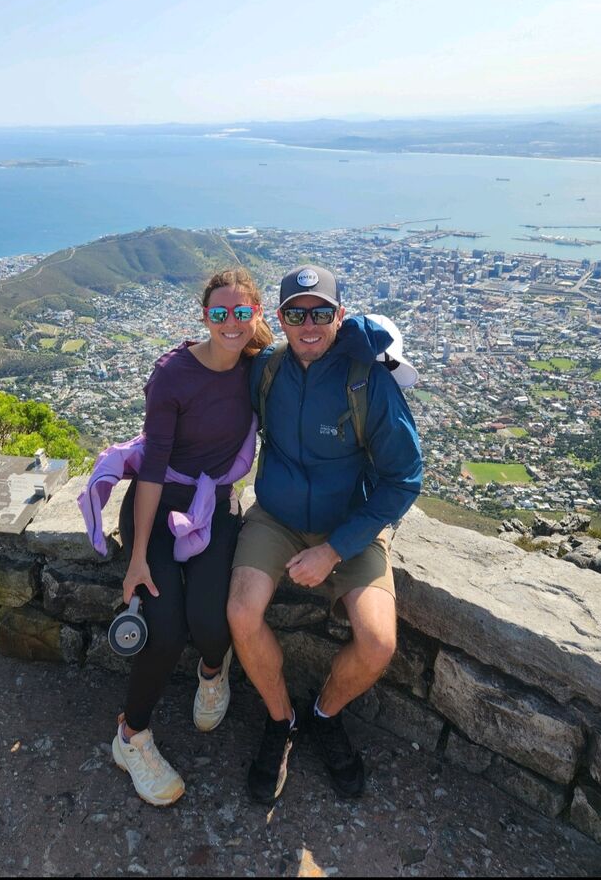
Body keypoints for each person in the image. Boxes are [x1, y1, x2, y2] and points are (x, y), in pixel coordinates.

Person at [227, 264, 423, 804]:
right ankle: (281, 719)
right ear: (281, 319)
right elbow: (213, 382)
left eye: (319, 312)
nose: (307, 325)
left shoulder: (367, 382)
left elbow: (405, 476)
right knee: (242, 613)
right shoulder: (266, 370)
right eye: (295, 313)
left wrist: (335, 548)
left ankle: (324, 714)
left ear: (340, 315)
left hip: (350, 525)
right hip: (277, 517)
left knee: (378, 641)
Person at [111, 267, 272, 806]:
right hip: (156, 511)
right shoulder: (173, 376)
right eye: (220, 313)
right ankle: (131, 737)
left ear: (256, 316)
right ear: (204, 316)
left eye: (241, 313)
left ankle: (212, 669)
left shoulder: (257, 368)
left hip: (215, 506)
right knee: (165, 629)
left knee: (212, 619)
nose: (231, 323)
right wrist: (136, 559)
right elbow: (152, 469)